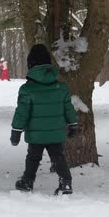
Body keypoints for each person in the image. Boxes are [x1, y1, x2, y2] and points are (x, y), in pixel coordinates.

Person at [10, 44, 79, 195]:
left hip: (36, 135)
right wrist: (73, 124)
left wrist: (16, 131)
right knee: (58, 157)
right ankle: (66, 183)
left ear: (31, 66)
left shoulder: (27, 89)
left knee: (33, 157)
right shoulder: (61, 87)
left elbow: (21, 113)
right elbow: (68, 108)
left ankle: (27, 181)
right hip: (56, 133)